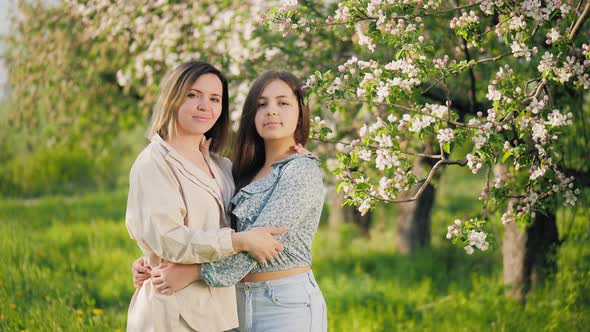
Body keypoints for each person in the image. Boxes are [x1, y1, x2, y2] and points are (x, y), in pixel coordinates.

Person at [134, 71, 328, 332]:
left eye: (283, 103)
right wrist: (153, 260)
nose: (271, 111)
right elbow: (210, 223)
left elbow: (262, 242)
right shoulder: (237, 171)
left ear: (300, 114)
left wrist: (193, 272)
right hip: (233, 302)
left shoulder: (300, 171)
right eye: (261, 104)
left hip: (283, 304)